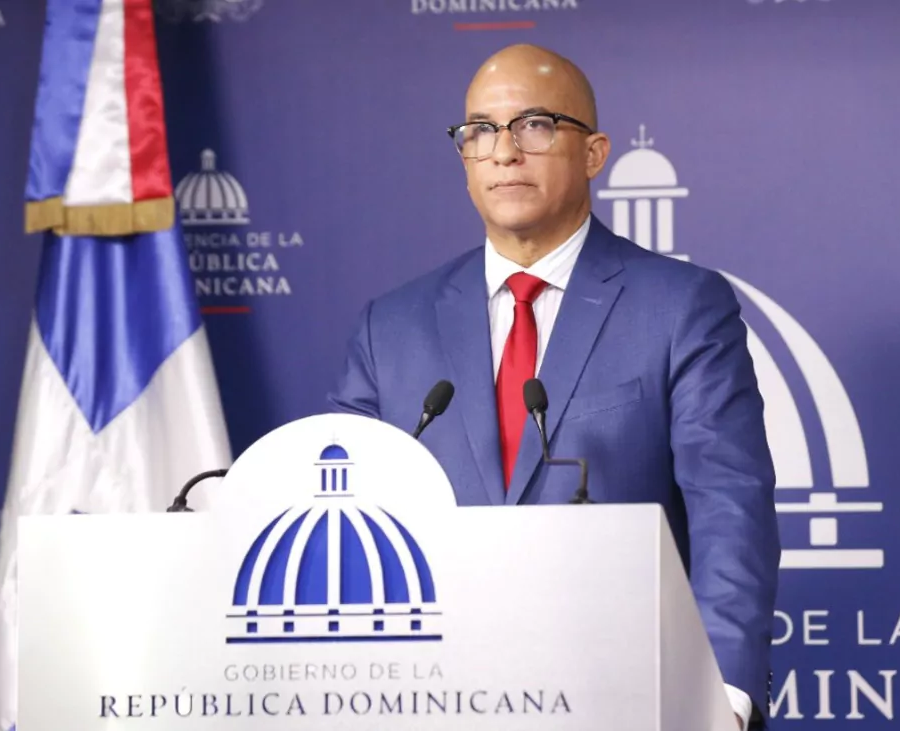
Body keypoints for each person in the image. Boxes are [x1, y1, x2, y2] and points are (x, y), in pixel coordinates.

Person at [327, 43, 780, 729]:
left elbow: (729, 509)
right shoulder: (390, 328)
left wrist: (722, 699)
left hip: (628, 698)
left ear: (594, 153)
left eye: (534, 125)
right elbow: (338, 516)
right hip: (430, 698)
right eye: (480, 131)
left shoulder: (680, 307)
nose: (504, 152)